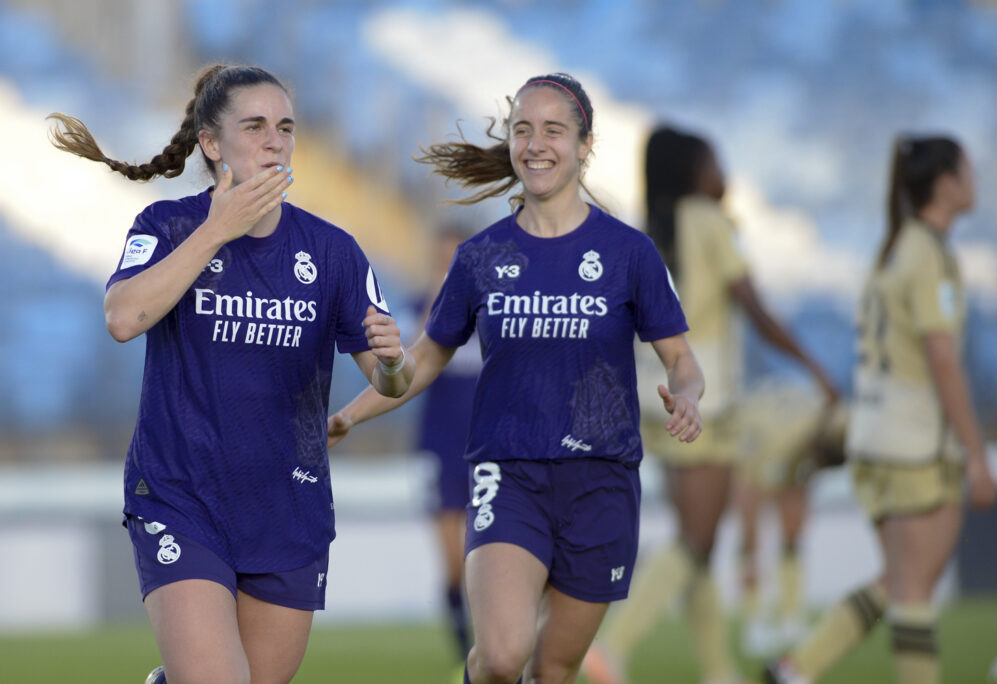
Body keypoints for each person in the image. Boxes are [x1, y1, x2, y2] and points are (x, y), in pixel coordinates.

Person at [327, 73, 705, 684]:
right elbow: (422, 359)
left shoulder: (629, 254)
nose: (535, 144)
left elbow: (681, 360)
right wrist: (352, 411)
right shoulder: (479, 257)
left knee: (551, 670)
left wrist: (686, 398)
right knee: (503, 658)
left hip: (601, 483)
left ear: (584, 145)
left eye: (553, 130)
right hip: (509, 476)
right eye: (522, 130)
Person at [48, 64, 415, 684]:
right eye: (255, 126)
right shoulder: (167, 226)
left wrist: (393, 363)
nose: (275, 141)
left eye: (286, 127)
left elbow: (390, 385)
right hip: (179, 495)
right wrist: (220, 229)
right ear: (212, 144)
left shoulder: (333, 251)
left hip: (286, 506)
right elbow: (122, 318)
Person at [583, 127, 839, 684]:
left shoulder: (647, 229)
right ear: (694, 173)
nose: (725, 174)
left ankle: (719, 671)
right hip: (708, 400)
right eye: (716, 162)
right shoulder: (710, 223)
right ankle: (613, 647)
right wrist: (815, 366)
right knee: (698, 539)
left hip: (654, 400)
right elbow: (755, 307)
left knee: (695, 539)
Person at [766, 135, 997, 684]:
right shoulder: (929, 254)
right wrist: (978, 455)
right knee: (916, 592)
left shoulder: (893, 249)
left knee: (898, 581)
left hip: (871, 437)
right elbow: (943, 360)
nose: (975, 179)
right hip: (915, 443)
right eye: (968, 169)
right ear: (946, 183)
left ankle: (797, 669)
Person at [733, 381, 847, 658]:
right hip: (748, 446)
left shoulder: (831, 428)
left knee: (794, 530)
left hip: (788, 439)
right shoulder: (780, 442)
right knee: (751, 538)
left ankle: (791, 621)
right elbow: (750, 498)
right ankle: (754, 624)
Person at [411, 227, 481, 662]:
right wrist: (441, 291)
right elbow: (411, 355)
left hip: (487, 445)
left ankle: (489, 650)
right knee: (454, 563)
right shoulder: (425, 304)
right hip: (440, 445)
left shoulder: (491, 309)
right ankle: (464, 657)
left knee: (485, 559)